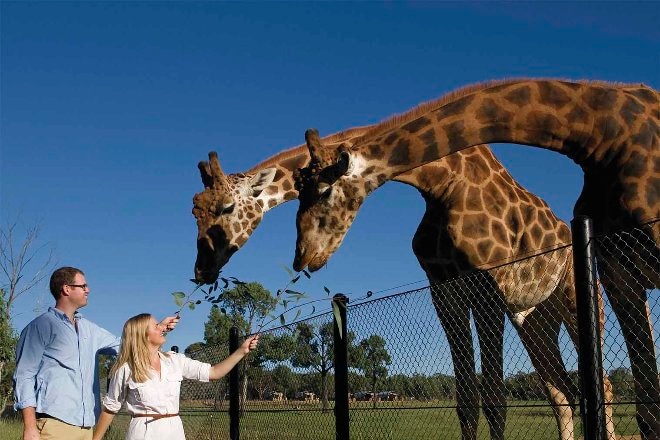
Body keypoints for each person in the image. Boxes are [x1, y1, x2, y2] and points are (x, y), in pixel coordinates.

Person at [13, 266, 180, 440]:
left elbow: (127, 346)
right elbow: (24, 376)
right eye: (83, 286)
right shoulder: (39, 327)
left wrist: (158, 329)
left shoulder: (89, 329)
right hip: (55, 426)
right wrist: (30, 427)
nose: (88, 289)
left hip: (87, 429)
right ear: (66, 289)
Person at [92, 313, 259, 440]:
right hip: (142, 433)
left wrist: (241, 351)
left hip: (175, 431)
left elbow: (214, 372)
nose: (161, 327)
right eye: (155, 325)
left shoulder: (175, 360)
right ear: (142, 335)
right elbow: (110, 408)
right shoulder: (125, 369)